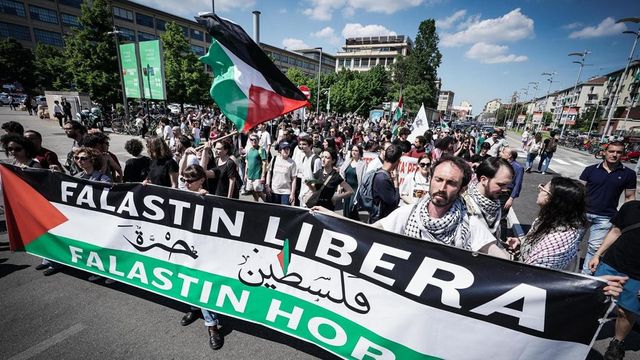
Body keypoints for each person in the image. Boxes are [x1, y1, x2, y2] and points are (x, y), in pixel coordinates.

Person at [375, 154, 505, 256]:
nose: (442, 188)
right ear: (431, 180)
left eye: (451, 183)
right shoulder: (406, 214)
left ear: (462, 189)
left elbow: (499, 259)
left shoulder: (470, 225)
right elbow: (367, 233)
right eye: (438, 180)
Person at [178, 164, 224, 350]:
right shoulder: (181, 193)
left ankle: (212, 326)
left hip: (204, 249)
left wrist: (207, 201)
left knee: (202, 283)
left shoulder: (209, 198)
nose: (186, 184)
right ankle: (193, 308)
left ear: (202, 180)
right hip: (185, 246)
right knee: (187, 278)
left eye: (190, 181)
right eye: (184, 180)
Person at [588, 200, 640, 360]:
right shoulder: (631, 207)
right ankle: (580, 330)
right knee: (592, 299)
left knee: (626, 311)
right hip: (611, 263)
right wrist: (597, 254)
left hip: (637, 275)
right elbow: (616, 231)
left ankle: (617, 342)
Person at [579, 141, 636, 275]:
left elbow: (629, 197)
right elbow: (578, 190)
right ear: (604, 152)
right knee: (572, 243)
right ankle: (567, 271)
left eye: (618, 152)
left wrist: (629, 218)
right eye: (611, 151)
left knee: (594, 249)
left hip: (605, 217)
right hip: (582, 213)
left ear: (623, 154)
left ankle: (584, 279)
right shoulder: (590, 169)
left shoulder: (628, 174)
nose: (614, 155)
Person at [506, 178, 587, 270]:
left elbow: (533, 270)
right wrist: (521, 242)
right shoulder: (545, 219)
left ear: (552, 199)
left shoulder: (560, 237)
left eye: (543, 188)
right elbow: (535, 241)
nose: (539, 189)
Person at [463, 157, 514, 240]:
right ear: (484, 180)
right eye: (500, 185)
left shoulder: (494, 204)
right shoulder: (464, 204)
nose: (505, 190)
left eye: (507, 185)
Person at [368, 144, 402, 223]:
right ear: (397, 161)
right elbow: (394, 202)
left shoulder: (382, 172)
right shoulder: (382, 179)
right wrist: (396, 183)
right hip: (379, 220)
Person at [339, 144, 366, 218]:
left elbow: (363, 178)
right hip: (346, 188)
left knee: (352, 207)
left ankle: (354, 223)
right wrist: (341, 185)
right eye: (353, 150)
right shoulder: (347, 162)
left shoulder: (362, 164)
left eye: (356, 150)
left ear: (359, 152)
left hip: (355, 189)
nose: (354, 152)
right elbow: (342, 173)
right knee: (346, 207)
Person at [295, 136, 321, 207]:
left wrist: (310, 186)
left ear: (310, 145)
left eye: (304, 144)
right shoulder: (304, 158)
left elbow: (319, 181)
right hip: (303, 196)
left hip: (311, 197)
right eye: (300, 144)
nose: (301, 146)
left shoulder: (316, 160)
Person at [245, 133, 268, 202]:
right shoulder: (249, 150)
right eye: (251, 140)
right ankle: (256, 202)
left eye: (255, 139)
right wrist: (245, 175)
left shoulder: (261, 150)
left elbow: (264, 163)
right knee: (252, 190)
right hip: (250, 175)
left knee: (259, 191)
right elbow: (247, 163)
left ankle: (268, 203)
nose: (253, 141)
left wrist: (263, 175)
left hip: (258, 175)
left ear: (258, 140)